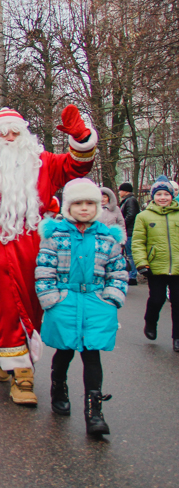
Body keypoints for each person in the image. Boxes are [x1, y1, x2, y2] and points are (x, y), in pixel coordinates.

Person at [0, 106, 97, 405]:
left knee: (34, 307)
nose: (8, 136)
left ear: (25, 134)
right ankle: (23, 375)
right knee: (4, 306)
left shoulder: (43, 162)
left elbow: (76, 167)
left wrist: (81, 137)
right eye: (2, 131)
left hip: (38, 245)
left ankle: (10, 357)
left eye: (15, 131)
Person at [36, 178, 127, 436]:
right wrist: (51, 298)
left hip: (96, 302)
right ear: (68, 206)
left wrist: (111, 298)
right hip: (65, 301)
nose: (84, 208)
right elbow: (45, 269)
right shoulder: (55, 235)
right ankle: (58, 387)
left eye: (90, 203)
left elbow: (117, 271)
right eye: (78, 203)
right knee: (64, 352)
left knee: (92, 355)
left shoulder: (107, 238)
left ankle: (94, 412)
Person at [132, 175, 179, 353]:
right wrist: (142, 263)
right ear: (153, 196)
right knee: (157, 299)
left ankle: (177, 337)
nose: (162, 197)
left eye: (166, 194)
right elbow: (137, 242)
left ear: (172, 196)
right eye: (159, 194)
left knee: (178, 301)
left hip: (177, 267)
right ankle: (150, 322)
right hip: (155, 267)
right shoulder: (144, 216)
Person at [118, 182, 140, 285]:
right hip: (129, 230)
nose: (119, 192)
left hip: (130, 231)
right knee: (129, 254)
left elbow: (131, 215)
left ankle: (132, 276)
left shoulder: (130, 201)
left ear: (125, 191)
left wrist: (123, 224)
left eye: (121, 190)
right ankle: (131, 275)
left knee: (130, 254)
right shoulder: (128, 200)